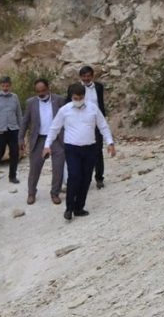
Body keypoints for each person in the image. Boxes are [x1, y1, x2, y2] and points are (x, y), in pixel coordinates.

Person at [44, 84, 116, 221]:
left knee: (86, 178)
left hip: (90, 148)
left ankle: (79, 208)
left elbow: (103, 126)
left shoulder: (93, 108)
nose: (78, 100)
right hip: (72, 148)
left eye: (80, 97)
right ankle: (69, 208)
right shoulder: (64, 110)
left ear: (84, 96)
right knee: (74, 176)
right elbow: (54, 128)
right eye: (75, 98)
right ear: (71, 97)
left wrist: (110, 142)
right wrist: (47, 145)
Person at [19, 78, 65, 205]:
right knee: (35, 168)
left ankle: (55, 193)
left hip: (57, 139)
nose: (41, 93)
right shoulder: (30, 103)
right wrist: (20, 138)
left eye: (43, 90)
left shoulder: (59, 100)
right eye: (38, 91)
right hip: (38, 139)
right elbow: (25, 122)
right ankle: (31, 193)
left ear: (48, 88)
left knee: (58, 167)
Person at [0, 75, 22, 184]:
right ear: (0, 86)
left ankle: (12, 176)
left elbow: (19, 114)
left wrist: (21, 129)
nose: (5, 88)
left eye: (7, 85)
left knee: (15, 153)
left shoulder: (15, 97)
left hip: (13, 129)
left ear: (10, 85)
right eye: (3, 86)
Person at [78, 65, 109, 189]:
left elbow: (101, 104)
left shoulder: (99, 87)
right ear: (80, 77)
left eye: (88, 76)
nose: (86, 78)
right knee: (82, 151)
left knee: (98, 151)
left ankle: (99, 178)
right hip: (81, 123)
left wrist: (103, 121)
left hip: (96, 123)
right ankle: (83, 178)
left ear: (92, 76)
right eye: (84, 76)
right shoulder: (76, 88)